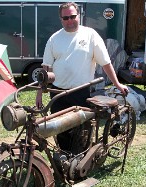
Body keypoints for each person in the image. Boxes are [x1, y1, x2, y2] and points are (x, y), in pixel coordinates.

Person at [36, 2, 129, 151]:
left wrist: (117, 84)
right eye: (65, 18)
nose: (69, 20)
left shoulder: (90, 35)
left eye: (72, 16)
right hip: (58, 92)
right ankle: (64, 159)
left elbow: (105, 63)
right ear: (60, 19)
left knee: (81, 129)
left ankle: (80, 160)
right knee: (60, 129)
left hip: (81, 92)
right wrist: (40, 92)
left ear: (79, 15)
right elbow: (46, 68)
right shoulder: (54, 38)